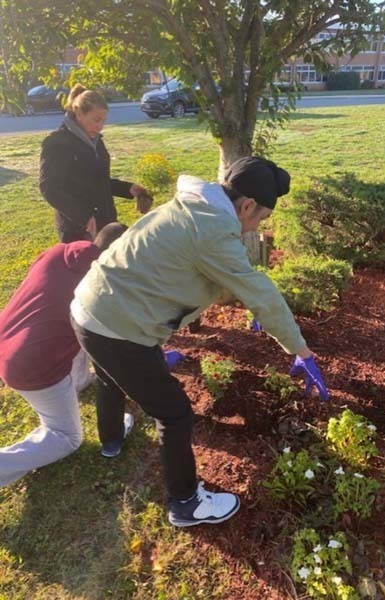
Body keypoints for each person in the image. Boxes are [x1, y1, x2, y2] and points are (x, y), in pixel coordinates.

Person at [70, 156, 329, 528]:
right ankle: (185, 503)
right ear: (247, 205)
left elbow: (193, 271)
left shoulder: (192, 207)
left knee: (114, 376)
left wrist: (243, 295)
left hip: (91, 306)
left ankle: (112, 439)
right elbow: (262, 292)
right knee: (174, 414)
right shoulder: (213, 230)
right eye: (260, 220)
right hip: (116, 326)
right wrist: (300, 351)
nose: (254, 228)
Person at [0, 222, 128, 488]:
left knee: (76, 323)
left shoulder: (58, 252)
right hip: (30, 365)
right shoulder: (100, 284)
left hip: (8, 338)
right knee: (66, 437)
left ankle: (78, 380)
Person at [39, 83, 152, 243]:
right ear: (78, 112)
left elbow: (98, 180)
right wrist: (83, 217)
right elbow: (49, 188)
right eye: (96, 120)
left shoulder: (96, 141)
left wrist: (128, 189)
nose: (100, 127)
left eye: (103, 122)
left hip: (105, 222)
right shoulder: (57, 143)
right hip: (78, 230)